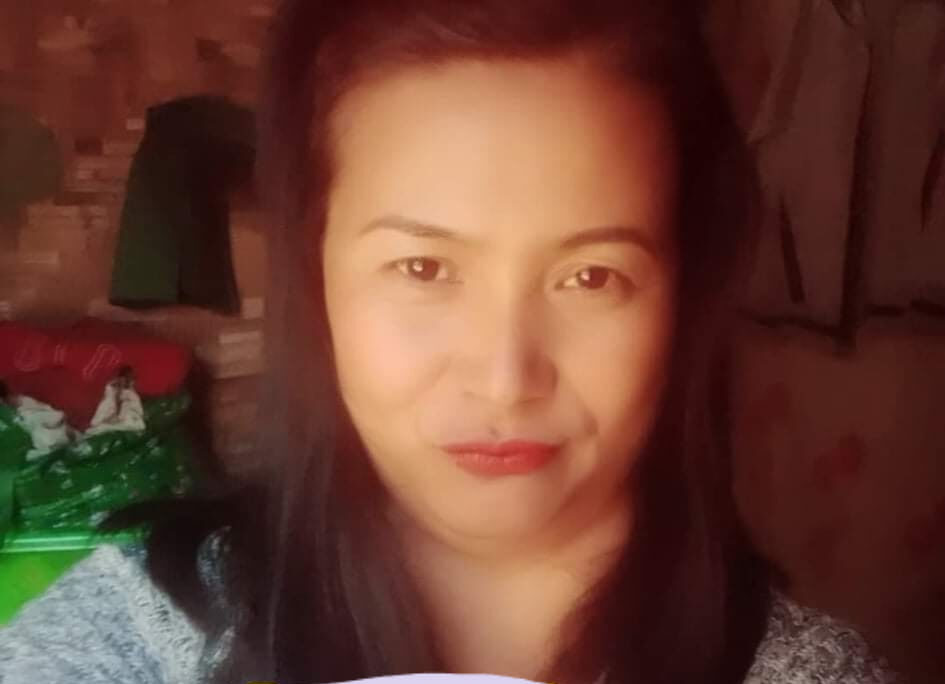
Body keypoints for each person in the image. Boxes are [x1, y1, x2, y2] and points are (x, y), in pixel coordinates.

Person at [0, 1, 899, 683]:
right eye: (423, 268)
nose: (504, 377)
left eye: (591, 277)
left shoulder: (804, 675)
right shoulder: (138, 641)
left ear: (683, 295)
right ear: (315, 279)